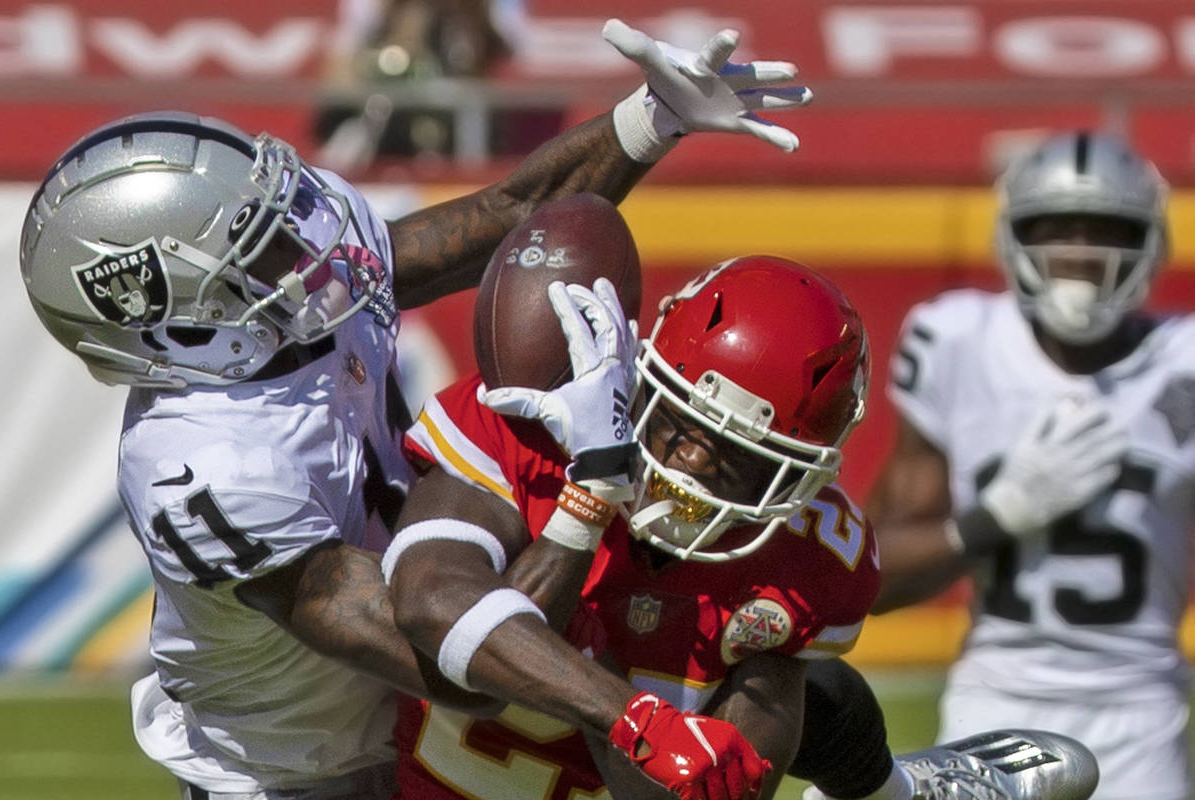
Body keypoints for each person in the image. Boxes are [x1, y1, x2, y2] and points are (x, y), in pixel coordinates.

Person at [16, 19, 812, 800]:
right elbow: (450, 651)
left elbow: (512, 213)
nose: (303, 240)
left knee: (788, 675)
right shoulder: (206, 469)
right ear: (172, 313)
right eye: (258, 243)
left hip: (431, 718)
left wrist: (648, 120)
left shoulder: (286, 299)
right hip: (306, 772)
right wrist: (586, 494)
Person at [383, 255, 1098, 800]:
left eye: (737, 457)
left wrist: (633, 713)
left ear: (803, 474)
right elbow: (435, 604)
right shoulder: (530, 428)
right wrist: (588, 495)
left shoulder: (812, 556)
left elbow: (691, 787)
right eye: (682, 424)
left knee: (790, 675)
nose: (691, 463)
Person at [866, 130, 1189, 800]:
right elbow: (867, 577)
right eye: (1055, 229)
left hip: (1142, 714)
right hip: (997, 702)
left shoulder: (1182, 364)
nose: (1078, 253)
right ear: (1014, 237)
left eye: (1105, 230)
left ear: (1149, 245)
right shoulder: (958, 341)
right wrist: (993, 519)